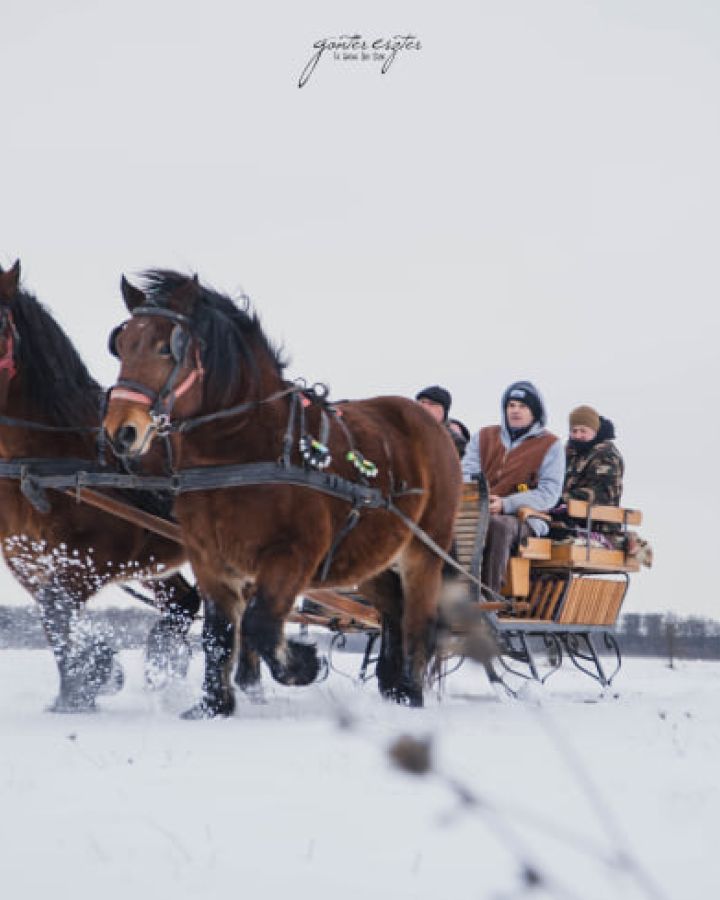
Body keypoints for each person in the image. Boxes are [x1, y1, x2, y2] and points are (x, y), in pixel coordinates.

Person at [462, 381, 564, 597]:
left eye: (523, 406)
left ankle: (488, 598)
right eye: (511, 405)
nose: (515, 410)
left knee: (497, 526)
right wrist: (479, 498)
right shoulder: (484, 437)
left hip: (526, 517)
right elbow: (466, 473)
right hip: (478, 508)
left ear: (535, 412)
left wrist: (506, 504)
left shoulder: (550, 445)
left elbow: (549, 493)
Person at [415, 385, 468, 457]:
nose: (424, 407)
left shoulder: (454, 439)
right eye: (422, 402)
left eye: (432, 404)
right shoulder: (403, 430)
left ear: (444, 412)